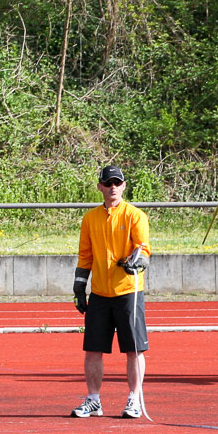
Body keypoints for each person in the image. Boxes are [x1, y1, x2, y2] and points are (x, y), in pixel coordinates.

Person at [70, 166, 151, 419]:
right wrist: (80, 285)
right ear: (100, 187)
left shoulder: (135, 216)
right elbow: (86, 254)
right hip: (100, 293)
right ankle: (93, 400)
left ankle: (134, 399)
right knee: (93, 349)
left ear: (124, 186)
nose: (112, 187)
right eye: (108, 183)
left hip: (128, 291)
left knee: (134, 349)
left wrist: (137, 260)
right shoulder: (90, 218)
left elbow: (143, 248)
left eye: (117, 183)